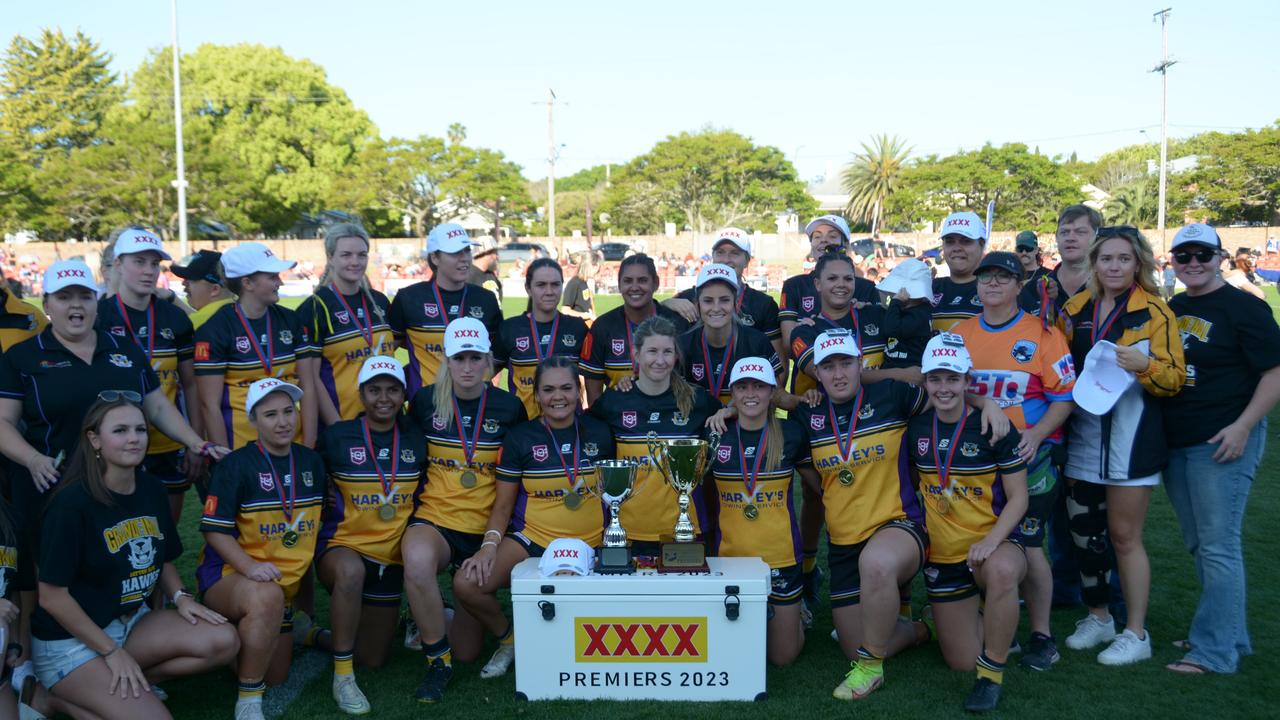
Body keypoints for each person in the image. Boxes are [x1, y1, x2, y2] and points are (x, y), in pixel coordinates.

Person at [794, 330, 1008, 702]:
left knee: (877, 564)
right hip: (845, 541)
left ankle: (870, 668)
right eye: (829, 367)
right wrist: (728, 408)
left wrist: (985, 402)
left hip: (899, 526)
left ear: (860, 364)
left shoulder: (891, 395)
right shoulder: (806, 415)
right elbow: (808, 474)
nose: (839, 373)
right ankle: (920, 629)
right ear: (818, 373)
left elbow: (945, 392)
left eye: (846, 363)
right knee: (852, 643)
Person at [34, 395, 237, 720]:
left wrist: (181, 597)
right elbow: (51, 597)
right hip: (69, 641)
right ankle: (56, 695)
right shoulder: (71, 504)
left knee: (223, 641)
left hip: (130, 624)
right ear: (94, 439)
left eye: (140, 429)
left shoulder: (151, 489)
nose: (134, 438)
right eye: (121, 430)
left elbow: (164, 559)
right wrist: (110, 652)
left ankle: (110, 687)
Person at [0, 260, 224, 533]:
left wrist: (195, 442)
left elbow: (157, 407)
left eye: (84, 296)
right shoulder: (22, 357)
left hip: (121, 485)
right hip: (53, 486)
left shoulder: (126, 350)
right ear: (47, 305)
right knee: (55, 570)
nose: (76, 305)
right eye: (63, 297)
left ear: (96, 302)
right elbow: (3, 422)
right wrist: (32, 459)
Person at [1060, 225, 1185, 666]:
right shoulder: (1075, 308)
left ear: (1139, 264)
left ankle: (1136, 631)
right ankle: (1098, 617)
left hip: (1131, 441)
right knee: (1086, 536)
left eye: (1124, 259)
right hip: (1081, 438)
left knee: (1124, 536)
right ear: (1094, 264)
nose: (1114, 266)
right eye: (1107, 259)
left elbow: (1175, 380)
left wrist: (1146, 364)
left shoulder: (1156, 312)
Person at [1163, 224, 1280, 674]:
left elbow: (1274, 372)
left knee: (1217, 546)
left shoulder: (1243, 307)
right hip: (1180, 441)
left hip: (1223, 440)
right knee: (1200, 543)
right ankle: (1229, 631)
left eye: (1202, 255)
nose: (1193, 263)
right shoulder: (1172, 308)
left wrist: (1244, 426)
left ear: (1220, 258)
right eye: (1184, 256)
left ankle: (1216, 652)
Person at [952, 252, 1077, 671]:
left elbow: (1064, 397)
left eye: (1002, 277)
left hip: (1030, 457)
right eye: (985, 275)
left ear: (1018, 284)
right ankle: (998, 619)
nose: (991, 283)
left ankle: (1042, 635)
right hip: (975, 459)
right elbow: (947, 384)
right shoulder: (961, 333)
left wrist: (1036, 435)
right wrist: (981, 400)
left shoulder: (1042, 334)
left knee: (1028, 543)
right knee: (987, 538)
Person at [453, 356, 614, 679]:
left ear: (578, 390)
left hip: (591, 542)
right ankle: (510, 641)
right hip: (534, 539)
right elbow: (502, 506)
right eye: (549, 389)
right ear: (537, 395)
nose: (559, 397)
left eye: (567, 388)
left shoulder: (599, 431)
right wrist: (488, 547)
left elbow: (613, 495)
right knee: (466, 583)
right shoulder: (520, 438)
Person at [402, 318, 526, 702]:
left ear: (489, 360)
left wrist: (494, 539)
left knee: (470, 649)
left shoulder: (509, 407)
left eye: (476, 358)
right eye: (460, 358)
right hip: (436, 520)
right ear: (446, 360)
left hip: (484, 528)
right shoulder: (425, 401)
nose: (468, 367)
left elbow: (514, 478)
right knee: (418, 561)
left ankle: (430, 617)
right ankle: (438, 663)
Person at [907, 334, 1028, 713]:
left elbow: (1020, 497)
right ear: (925, 381)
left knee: (1004, 570)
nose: (944, 388)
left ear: (966, 380)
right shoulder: (915, 429)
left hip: (991, 543)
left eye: (953, 378)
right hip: (943, 557)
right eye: (936, 379)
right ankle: (986, 617)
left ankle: (991, 676)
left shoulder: (993, 425)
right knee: (960, 660)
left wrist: (992, 541)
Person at [198, 378, 328, 719]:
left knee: (278, 673)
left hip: (281, 586)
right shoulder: (234, 465)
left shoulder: (312, 463)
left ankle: (268, 631)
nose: (283, 421)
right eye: (271, 414)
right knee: (266, 597)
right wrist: (249, 568)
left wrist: (305, 607)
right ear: (253, 420)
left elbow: (304, 538)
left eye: (289, 411)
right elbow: (215, 532)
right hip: (230, 576)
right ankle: (248, 697)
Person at [313, 357, 425, 711]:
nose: (383, 398)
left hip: (390, 559)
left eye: (392, 390)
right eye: (374, 390)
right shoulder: (336, 437)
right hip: (342, 548)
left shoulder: (416, 440)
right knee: (350, 572)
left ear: (403, 395)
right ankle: (342, 677)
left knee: (373, 657)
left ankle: (315, 635)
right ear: (361, 394)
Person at [1016, 204, 1102, 607]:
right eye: (1064, 230)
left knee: (1090, 507)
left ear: (1094, 237)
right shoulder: (1039, 284)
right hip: (1047, 404)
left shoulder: (1108, 282)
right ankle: (1065, 590)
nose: (1070, 237)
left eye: (1080, 231)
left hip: (1098, 410)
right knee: (1049, 504)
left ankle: (1105, 594)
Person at [708, 357, 815, 666]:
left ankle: (797, 617)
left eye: (759, 386)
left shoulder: (791, 433)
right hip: (730, 559)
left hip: (780, 557)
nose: (750, 393)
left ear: (772, 392)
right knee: (734, 653)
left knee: (782, 658)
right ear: (732, 393)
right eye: (742, 387)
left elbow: (820, 488)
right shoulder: (716, 434)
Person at [588, 316, 721, 557]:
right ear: (636, 354)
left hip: (685, 530)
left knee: (682, 594)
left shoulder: (697, 401)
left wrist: (729, 410)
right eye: (652, 351)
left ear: (676, 356)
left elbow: (735, 414)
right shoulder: (613, 402)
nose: (660, 360)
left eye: (667, 352)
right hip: (625, 531)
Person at [96, 228, 201, 522]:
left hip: (169, 443)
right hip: (115, 443)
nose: (148, 271)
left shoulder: (175, 318)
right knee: (118, 530)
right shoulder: (99, 316)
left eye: (154, 264)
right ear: (118, 265)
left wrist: (194, 440)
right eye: (139, 262)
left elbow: (190, 385)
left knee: (166, 532)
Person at [194, 242, 318, 449]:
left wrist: (308, 445)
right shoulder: (215, 329)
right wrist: (226, 459)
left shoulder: (291, 320)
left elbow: (308, 387)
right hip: (240, 446)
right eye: (272, 277)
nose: (280, 282)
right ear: (248, 283)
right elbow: (209, 405)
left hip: (292, 445)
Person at [298, 224, 397, 426]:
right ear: (331, 257)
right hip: (342, 421)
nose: (355, 262)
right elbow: (311, 378)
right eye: (346, 255)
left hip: (387, 419)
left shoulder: (379, 302)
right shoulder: (315, 308)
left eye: (362, 255)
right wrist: (336, 426)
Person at [389, 223, 502, 397]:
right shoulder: (409, 298)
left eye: (467, 250)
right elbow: (388, 351)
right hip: (425, 411)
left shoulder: (486, 299)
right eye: (456, 252)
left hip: (475, 410)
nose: (464, 258)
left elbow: (497, 355)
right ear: (435, 258)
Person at [579, 254, 690, 404]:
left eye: (642, 280)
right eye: (628, 281)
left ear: (655, 283)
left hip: (668, 418)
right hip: (620, 421)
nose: (635, 287)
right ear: (619, 284)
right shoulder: (603, 327)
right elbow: (594, 395)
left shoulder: (679, 324)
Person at [492, 258, 589, 417]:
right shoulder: (510, 329)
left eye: (555, 284)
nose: (549, 291)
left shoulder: (577, 328)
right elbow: (485, 373)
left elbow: (594, 377)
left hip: (569, 428)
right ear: (528, 288)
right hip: (524, 428)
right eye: (541, 285)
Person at [669, 229, 784, 361]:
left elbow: (780, 368)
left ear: (747, 260)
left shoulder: (764, 304)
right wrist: (667, 303)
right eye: (720, 252)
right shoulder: (686, 299)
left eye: (734, 253)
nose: (726, 260)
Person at [677, 263, 781, 405]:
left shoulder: (757, 342)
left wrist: (803, 399)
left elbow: (776, 394)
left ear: (735, 303)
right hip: (697, 425)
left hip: (743, 423)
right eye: (708, 301)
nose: (716, 308)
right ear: (698, 304)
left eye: (724, 300)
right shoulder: (683, 345)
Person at [779, 215, 877, 350]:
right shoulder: (794, 286)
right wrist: (799, 332)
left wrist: (870, 313)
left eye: (832, 236)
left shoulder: (868, 288)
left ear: (846, 244)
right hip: (808, 366)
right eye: (817, 237)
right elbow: (788, 347)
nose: (824, 240)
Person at [931, 211, 988, 332]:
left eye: (966, 241)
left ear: (982, 245)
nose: (957, 248)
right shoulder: (929, 289)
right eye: (950, 241)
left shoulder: (996, 291)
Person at [170, 250, 231, 329]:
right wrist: (172, 298)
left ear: (215, 289)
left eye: (190, 280)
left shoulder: (199, 324)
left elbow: (198, 320)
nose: (183, 283)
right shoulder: (239, 310)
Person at [559, 253, 597, 323]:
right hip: (575, 331)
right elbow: (565, 311)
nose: (598, 270)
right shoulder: (574, 283)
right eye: (596, 267)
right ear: (589, 266)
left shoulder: (584, 282)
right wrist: (586, 315)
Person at [466, 236, 503, 302]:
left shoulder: (491, 275)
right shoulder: (467, 276)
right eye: (495, 253)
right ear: (487, 253)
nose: (497, 257)